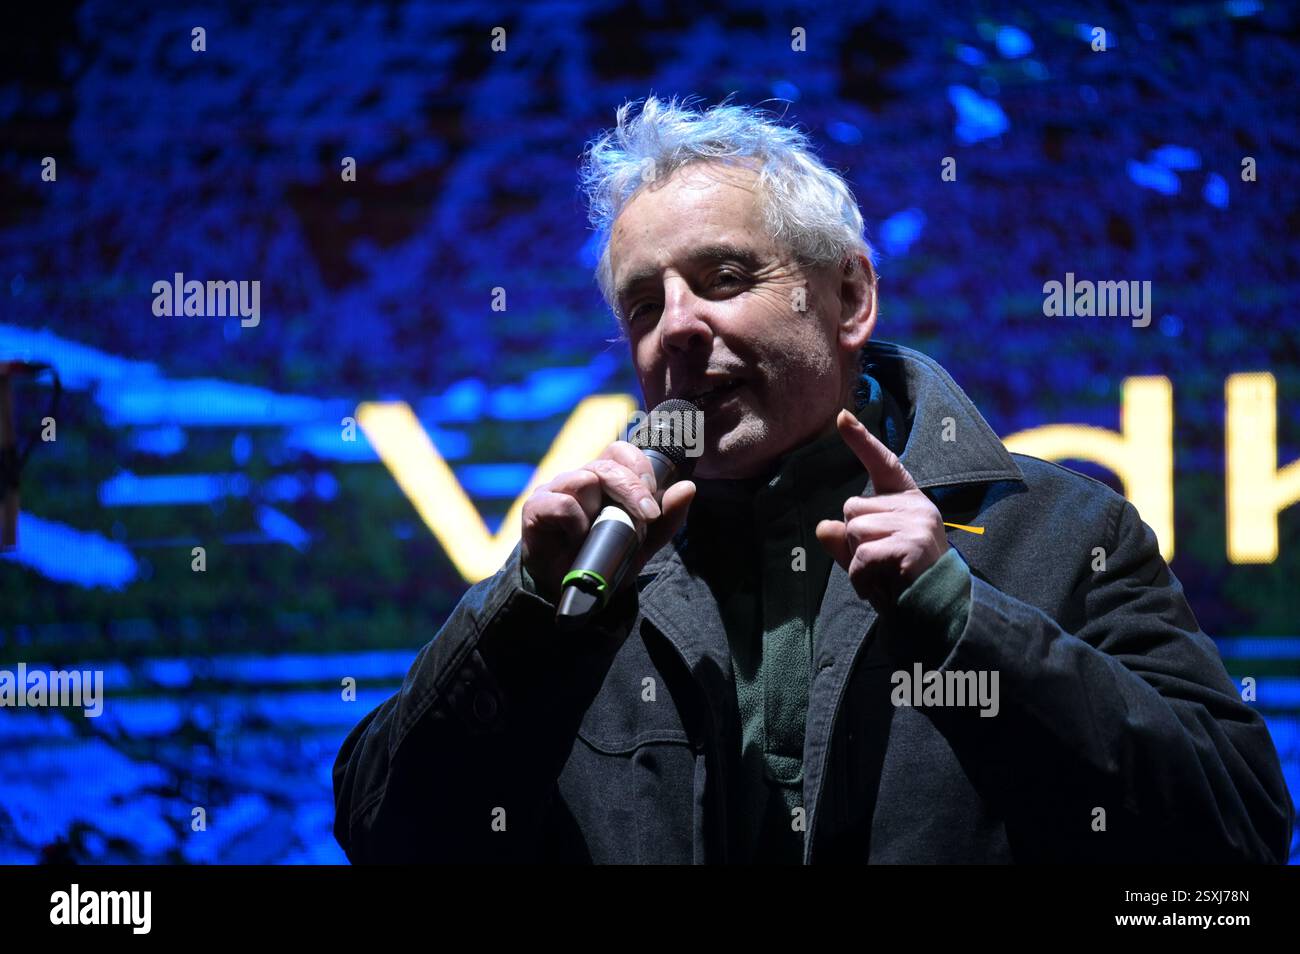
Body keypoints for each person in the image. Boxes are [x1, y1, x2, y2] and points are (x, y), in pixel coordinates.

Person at [333, 95, 1293, 864]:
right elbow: (390, 835)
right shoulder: (587, 572)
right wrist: (522, 616)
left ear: (850, 297)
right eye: (641, 305)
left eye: (720, 279)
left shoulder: (1058, 530)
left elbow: (1235, 837)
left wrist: (964, 621)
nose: (675, 328)